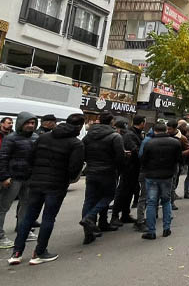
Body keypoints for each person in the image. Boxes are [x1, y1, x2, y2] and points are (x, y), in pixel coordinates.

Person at [8, 114, 85, 265]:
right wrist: (67, 179)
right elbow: (75, 169)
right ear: (79, 127)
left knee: (29, 216)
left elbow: (30, 158)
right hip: (56, 184)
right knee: (48, 218)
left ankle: (16, 252)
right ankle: (40, 252)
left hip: (36, 182)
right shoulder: (75, 144)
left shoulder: (43, 138)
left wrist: (33, 174)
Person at [0, 112, 37, 249]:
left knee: (26, 206)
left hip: (28, 178)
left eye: (33, 123)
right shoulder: (11, 138)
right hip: (13, 178)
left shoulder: (36, 137)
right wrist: (4, 177)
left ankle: (24, 231)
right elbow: (2, 158)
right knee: (2, 208)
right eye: (27, 123)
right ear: (20, 123)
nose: (30, 125)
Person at [79, 112, 127, 244]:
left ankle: (93, 228)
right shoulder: (114, 136)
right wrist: (121, 168)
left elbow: (82, 152)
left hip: (92, 170)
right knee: (108, 196)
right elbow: (119, 156)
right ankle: (89, 218)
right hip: (108, 171)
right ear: (111, 121)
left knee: (89, 199)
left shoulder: (89, 136)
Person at [141, 122, 183, 240]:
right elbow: (179, 158)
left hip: (152, 176)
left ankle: (151, 231)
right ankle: (166, 228)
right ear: (166, 130)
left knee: (151, 202)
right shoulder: (175, 142)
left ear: (155, 131)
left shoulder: (149, 143)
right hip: (167, 175)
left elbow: (143, 160)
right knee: (166, 201)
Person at [111, 115, 144, 225]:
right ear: (142, 123)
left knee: (129, 192)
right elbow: (135, 150)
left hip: (134, 168)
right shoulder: (130, 135)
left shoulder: (135, 134)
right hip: (129, 168)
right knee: (122, 192)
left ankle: (125, 214)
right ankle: (115, 215)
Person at [167, 120, 189, 210]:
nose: (168, 130)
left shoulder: (182, 138)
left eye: (169, 129)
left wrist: (179, 154)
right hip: (164, 163)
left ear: (174, 128)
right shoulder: (165, 135)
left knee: (173, 183)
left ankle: (171, 202)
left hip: (175, 163)